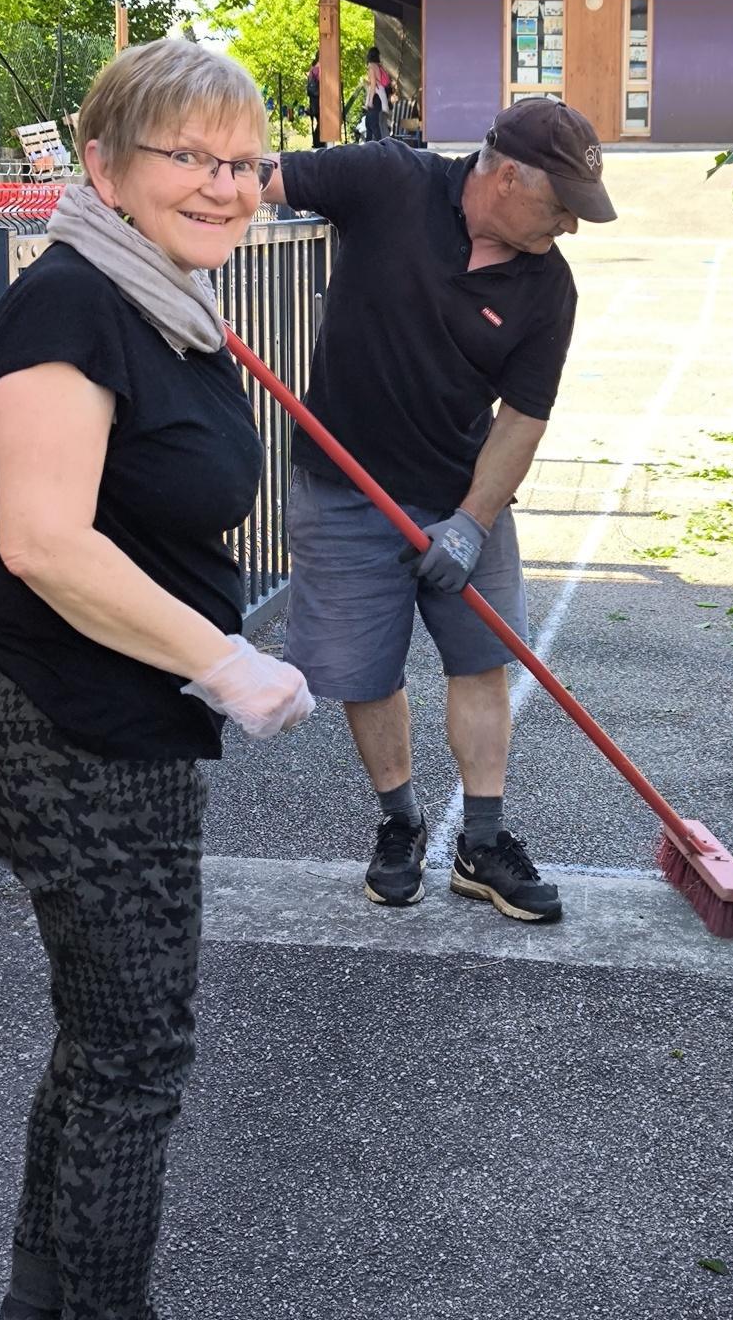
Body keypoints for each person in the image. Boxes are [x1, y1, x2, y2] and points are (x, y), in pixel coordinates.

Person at [0, 39, 315, 1320]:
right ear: (100, 165)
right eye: (189, 157)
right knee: (135, 1054)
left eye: (242, 161)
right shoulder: (71, 306)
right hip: (71, 724)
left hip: (120, 718)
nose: (225, 185)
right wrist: (225, 660)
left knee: (104, 1040)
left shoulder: (159, 296)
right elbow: (44, 540)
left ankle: (38, 1299)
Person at [264, 97, 616, 924]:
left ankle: (481, 844)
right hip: (343, 488)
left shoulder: (547, 289)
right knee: (366, 671)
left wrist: (473, 521)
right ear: (503, 175)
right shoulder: (388, 180)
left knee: (480, 659)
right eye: (560, 204)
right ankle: (401, 823)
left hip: (460, 489)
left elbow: (522, 417)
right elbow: (258, 182)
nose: (570, 225)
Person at [363, 45, 390, 141]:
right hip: (380, 93)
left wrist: (370, 101)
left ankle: (377, 145)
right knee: (376, 122)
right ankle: (378, 144)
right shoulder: (378, 66)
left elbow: (373, 84)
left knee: (372, 122)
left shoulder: (371, 67)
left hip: (375, 95)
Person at [305, 52, 322, 147]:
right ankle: (318, 143)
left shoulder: (313, 67)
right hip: (319, 100)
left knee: (320, 122)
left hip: (313, 101)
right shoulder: (319, 68)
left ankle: (316, 142)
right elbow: (323, 83)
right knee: (322, 123)